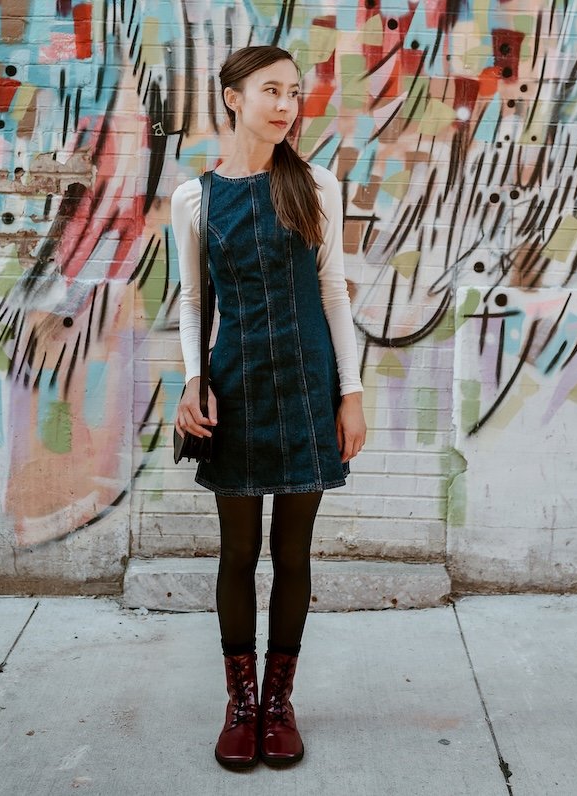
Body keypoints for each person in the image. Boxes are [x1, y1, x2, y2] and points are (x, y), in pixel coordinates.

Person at [171, 45, 366, 770]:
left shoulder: (315, 184)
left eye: (293, 92)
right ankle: (241, 703)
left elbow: (334, 293)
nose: (286, 105)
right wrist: (194, 381)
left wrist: (351, 393)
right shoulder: (195, 198)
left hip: (310, 387)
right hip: (239, 387)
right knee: (237, 552)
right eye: (270, 91)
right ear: (232, 97)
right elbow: (194, 301)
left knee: (292, 553)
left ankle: (281, 703)